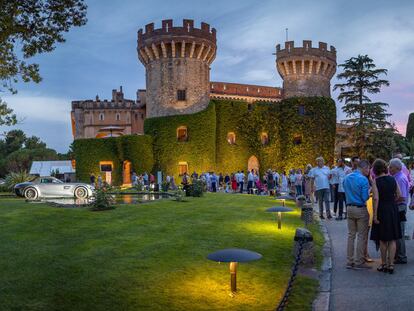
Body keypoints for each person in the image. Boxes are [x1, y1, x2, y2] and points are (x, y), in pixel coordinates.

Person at [370, 159, 402, 274]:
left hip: (382, 210)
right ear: (384, 168)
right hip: (392, 209)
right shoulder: (393, 179)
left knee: (383, 239)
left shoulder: (376, 181)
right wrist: (391, 202)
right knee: (392, 238)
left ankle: (383, 264)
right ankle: (391, 265)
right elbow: (399, 195)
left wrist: (375, 215)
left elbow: (376, 198)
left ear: (375, 169)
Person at [343, 159, 371, 269]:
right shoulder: (363, 180)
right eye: (368, 168)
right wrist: (369, 192)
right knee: (361, 236)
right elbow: (364, 198)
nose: (369, 171)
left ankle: (349, 261)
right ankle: (359, 261)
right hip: (360, 208)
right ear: (364, 168)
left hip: (349, 208)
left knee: (351, 235)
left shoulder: (346, 178)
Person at [389, 158, 410, 264]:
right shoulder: (397, 177)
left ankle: (401, 256)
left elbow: (402, 197)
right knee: (397, 232)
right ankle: (398, 255)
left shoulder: (400, 178)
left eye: (391, 167)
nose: (389, 168)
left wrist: (390, 201)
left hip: (400, 207)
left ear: (397, 168)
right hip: (399, 207)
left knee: (399, 233)